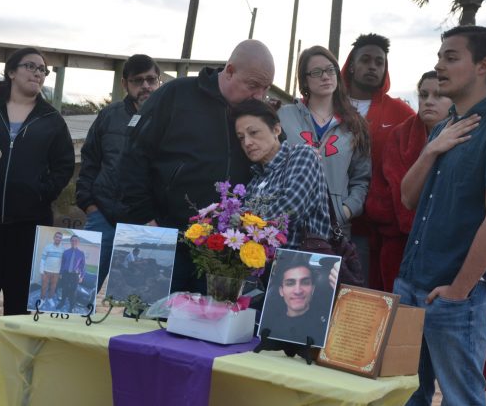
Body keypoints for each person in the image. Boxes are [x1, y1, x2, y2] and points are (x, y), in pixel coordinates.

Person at [394, 26, 486, 405]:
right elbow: (408, 198)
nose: (439, 65)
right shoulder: (444, 128)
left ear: (483, 65)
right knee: (403, 395)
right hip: (410, 287)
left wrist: (458, 291)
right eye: (439, 56)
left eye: (451, 57)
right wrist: (430, 151)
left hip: (458, 297)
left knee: (461, 399)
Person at [119, 40, 275, 294]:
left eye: (265, 88)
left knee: (211, 329)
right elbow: (133, 156)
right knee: (144, 322)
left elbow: (276, 157)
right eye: (253, 85)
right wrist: (144, 218)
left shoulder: (258, 113)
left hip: (223, 252)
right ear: (231, 70)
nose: (259, 95)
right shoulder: (175, 94)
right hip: (163, 235)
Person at [0, 47, 75, 331]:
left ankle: (15, 365)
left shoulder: (51, 120)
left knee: (20, 301)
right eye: (30, 66)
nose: (37, 73)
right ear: (11, 72)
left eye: (42, 69)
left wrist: (41, 191)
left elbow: (63, 166)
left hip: (29, 226)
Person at [76, 54, 160, 292]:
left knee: (137, 301)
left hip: (146, 222)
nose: (145, 86)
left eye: (151, 80)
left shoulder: (171, 117)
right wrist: (88, 203)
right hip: (102, 213)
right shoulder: (109, 115)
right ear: (125, 83)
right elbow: (90, 158)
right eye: (138, 80)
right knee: (80, 290)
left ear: (159, 81)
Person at [341, 33, 415, 289]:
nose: (373, 66)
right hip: (324, 223)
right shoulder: (327, 104)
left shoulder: (401, 113)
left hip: (374, 231)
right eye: (366, 60)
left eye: (379, 62)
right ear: (351, 65)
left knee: (363, 298)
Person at [366, 71, 450, 293]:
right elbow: (384, 196)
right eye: (423, 95)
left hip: (448, 251)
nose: (429, 101)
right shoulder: (400, 136)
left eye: (438, 95)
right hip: (399, 247)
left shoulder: (466, 135)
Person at [278, 46, 370, 239]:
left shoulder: (354, 123)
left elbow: (361, 179)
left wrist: (345, 211)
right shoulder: (284, 116)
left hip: (335, 229)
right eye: (317, 72)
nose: (326, 76)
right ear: (304, 79)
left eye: (330, 70)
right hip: (288, 228)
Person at [232, 99, 330, 250]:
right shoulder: (255, 178)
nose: (247, 142)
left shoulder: (302, 154)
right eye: (241, 138)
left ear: (276, 130)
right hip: (260, 268)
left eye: (253, 132)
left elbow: (290, 209)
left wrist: (243, 227)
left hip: (299, 266)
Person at [259, 252, 327, 346]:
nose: (298, 291)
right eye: (290, 283)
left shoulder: (323, 328)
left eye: (305, 282)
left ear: (313, 288)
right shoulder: (267, 324)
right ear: (281, 291)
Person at [57, 235, 86, 313]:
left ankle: (72, 306)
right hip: (66, 274)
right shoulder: (66, 252)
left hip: (75, 275)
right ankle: (62, 303)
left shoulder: (81, 253)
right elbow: (62, 264)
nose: (74, 242)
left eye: (76, 240)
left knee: (73, 292)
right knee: (64, 289)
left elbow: (83, 266)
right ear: (70, 241)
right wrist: (60, 273)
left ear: (78, 242)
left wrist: (82, 276)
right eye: (72, 240)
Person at [38, 231, 64, 308]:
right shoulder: (47, 247)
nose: (58, 238)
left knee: (53, 287)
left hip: (56, 273)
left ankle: (50, 298)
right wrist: (41, 271)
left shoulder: (63, 249)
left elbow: (63, 262)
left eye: (60, 237)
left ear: (61, 239)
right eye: (57, 237)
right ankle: (42, 300)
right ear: (54, 238)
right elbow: (43, 259)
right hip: (46, 271)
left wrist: (61, 273)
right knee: (44, 287)